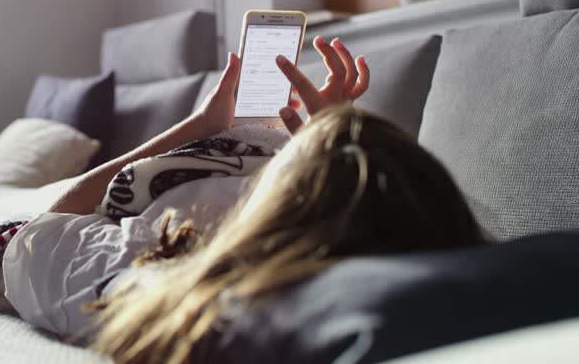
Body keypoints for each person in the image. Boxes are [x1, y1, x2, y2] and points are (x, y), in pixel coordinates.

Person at [84, 38, 489, 364]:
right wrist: (326, 148)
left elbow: (47, 223)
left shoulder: (169, 295)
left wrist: (200, 126)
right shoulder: (461, 281)